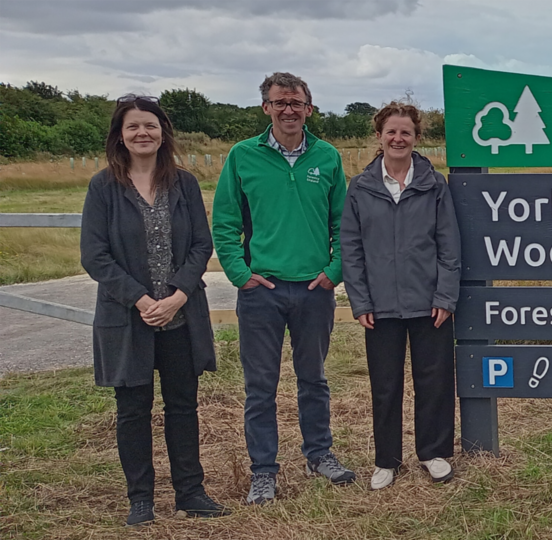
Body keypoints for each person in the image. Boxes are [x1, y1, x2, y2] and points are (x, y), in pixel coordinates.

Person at [80, 95, 229, 526]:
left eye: (150, 125)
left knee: (183, 406)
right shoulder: (103, 186)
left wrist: (179, 293)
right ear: (120, 136)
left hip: (181, 316)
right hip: (129, 319)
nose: (142, 133)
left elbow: (203, 244)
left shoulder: (182, 183)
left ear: (162, 132)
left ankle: (191, 492)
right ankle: (141, 498)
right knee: (133, 410)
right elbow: (95, 255)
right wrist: (143, 300)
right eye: (133, 127)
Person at [212, 72, 354, 505]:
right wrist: (240, 273)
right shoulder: (242, 156)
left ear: (310, 108)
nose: (289, 110)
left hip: (314, 289)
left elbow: (343, 224)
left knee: (314, 378)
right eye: (280, 102)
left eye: (297, 102)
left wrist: (335, 270)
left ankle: (320, 455)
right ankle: (263, 472)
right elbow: (225, 221)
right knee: (261, 387)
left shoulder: (327, 157)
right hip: (262, 292)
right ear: (266, 108)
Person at [341, 102, 461, 490]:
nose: (398, 138)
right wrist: (360, 300)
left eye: (405, 132)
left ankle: (434, 453)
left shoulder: (434, 184)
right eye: (391, 131)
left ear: (416, 138)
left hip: (430, 304)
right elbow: (351, 248)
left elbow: (449, 246)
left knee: (435, 380)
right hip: (380, 306)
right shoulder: (360, 188)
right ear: (379, 136)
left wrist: (445, 296)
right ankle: (386, 460)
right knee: (386, 384)